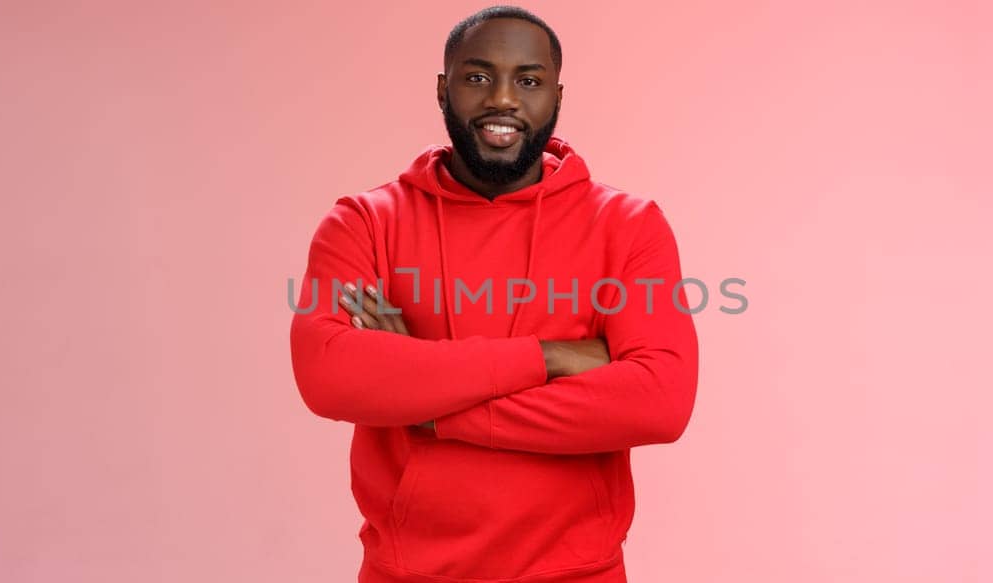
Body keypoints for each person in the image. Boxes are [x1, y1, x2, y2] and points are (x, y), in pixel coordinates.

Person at [289, 6, 698, 581]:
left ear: (557, 96)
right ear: (442, 89)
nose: (502, 99)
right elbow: (328, 374)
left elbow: (660, 400)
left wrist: (433, 406)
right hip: (407, 573)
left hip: (579, 573)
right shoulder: (364, 222)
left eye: (528, 81)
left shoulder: (628, 225)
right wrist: (551, 357)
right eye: (478, 77)